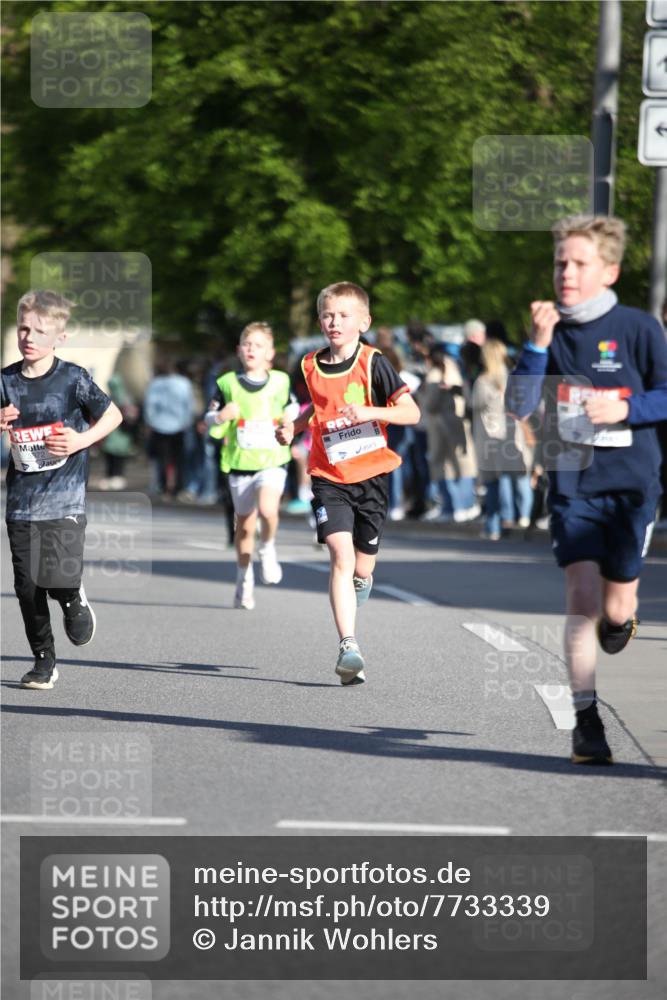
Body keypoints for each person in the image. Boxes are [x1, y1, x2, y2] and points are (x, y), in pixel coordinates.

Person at [506, 215, 667, 765]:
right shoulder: (546, 330)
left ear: (610, 270)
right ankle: (587, 720)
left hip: (630, 483)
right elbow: (519, 406)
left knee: (616, 605)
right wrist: (536, 345)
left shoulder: (639, 328)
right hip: (571, 477)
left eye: (579, 263)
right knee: (580, 597)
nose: (566, 273)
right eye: (559, 263)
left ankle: (620, 619)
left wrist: (625, 406)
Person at [276, 282, 420, 685]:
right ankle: (348, 646)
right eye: (327, 314)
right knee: (340, 554)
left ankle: (362, 580)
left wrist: (368, 412)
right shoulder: (308, 364)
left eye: (343, 315)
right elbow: (316, 410)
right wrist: (295, 427)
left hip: (371, 476)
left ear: (363, 321)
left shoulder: (374, 363)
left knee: (361, 565)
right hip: (328, 476)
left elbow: (411, 413)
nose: (334, 322)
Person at [0, 290, 122, 689]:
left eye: (39, 330)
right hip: (21, 500)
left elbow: (113, 415)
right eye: (23, 328)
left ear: (60, 337)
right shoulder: (5, 381)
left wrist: (80, 441)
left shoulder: (72, 378)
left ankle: (71, 596)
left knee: (58, 577)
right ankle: (43, 661)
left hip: (65, 494)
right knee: (27, 586)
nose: (29, 337)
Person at [205, 322, 296, 610]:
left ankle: (268, 548)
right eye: (247, 344)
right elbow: (208, 418)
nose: (251, 349)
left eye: (258, 345)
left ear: (270, 353)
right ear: (238, 351)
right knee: (244, 528)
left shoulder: (281, 381)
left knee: (268, 510)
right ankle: (244, 580)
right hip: (240, 462)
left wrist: (288, 420)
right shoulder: (227, 383)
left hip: (272, 460)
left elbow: (293, 406)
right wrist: (221, 417)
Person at [472, 338, 533, 539]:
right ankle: (519, 517)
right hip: (510, 433)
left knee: (493, 481)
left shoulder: (482, 382)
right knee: (512, 477)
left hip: (489, 435)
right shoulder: (512, 379)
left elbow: (475, 405)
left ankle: (495, 524)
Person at [143, 359, 194, 499]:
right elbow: (188, 405)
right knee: (180, 460)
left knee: (162, 459)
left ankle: (164, 487)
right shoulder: (184, 383)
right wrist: (187, 423)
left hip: (160, 425)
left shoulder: (155, 384)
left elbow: (149, 405)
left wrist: (150, 422)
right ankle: (178, 488)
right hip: (179, 425)